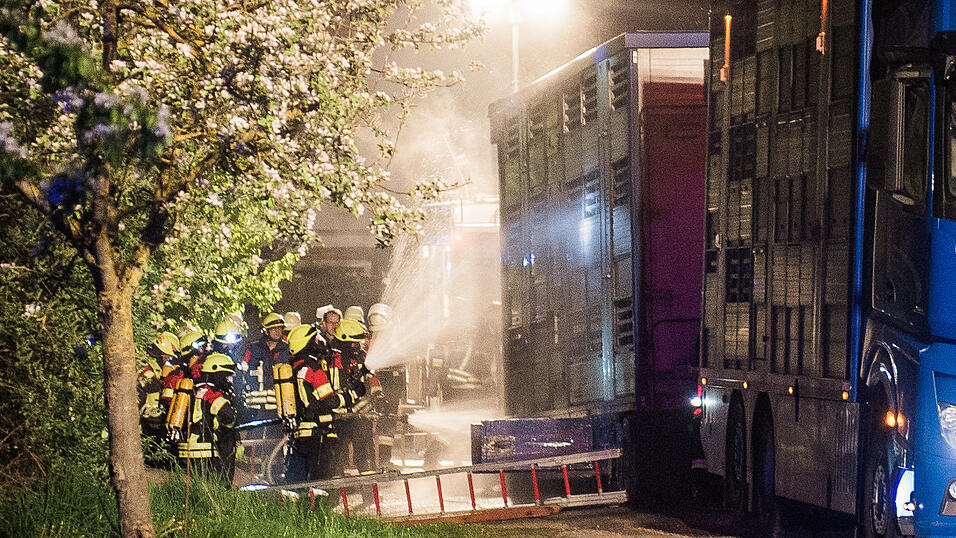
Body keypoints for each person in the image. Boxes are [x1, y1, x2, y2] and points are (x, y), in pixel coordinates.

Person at [284, 324, 362, 483]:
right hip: (318, 433)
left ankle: (295, 506)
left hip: (301, 432)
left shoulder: (295, 367)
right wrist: (352, 395)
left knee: (298, 479)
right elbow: (329, 401)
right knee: (322, 478)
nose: (320, 342)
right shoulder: (314, 370)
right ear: (308, 344)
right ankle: (320, 505)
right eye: (315, 339)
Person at [175, 353, 238, 487]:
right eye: (226, 376)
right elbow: (229, 416)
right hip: (204, 450)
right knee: (215, 487)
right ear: (216, 373)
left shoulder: (194, 389)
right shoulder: (211, 394)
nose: (228, 381)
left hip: (188, 448)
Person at [333, 319, 380, 476]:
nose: (359, 346)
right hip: (339, 417)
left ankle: (369, 495)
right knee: (336, 459)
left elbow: (373, 381)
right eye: (355, 343)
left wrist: (379, 398)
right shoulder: (332, 360)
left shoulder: (362, 359)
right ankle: (335, 497)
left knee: (365, 458)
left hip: (360, 417)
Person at [238, 313, 290, 418]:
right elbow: (242, 372)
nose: (278, 332)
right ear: (265, 331)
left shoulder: (287, 350)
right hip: (253, 408)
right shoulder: (253, 349)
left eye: (279, 328)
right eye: (273, 329)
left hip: (278, 407)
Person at [161, 329, 206, 408]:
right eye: (199, 351)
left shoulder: (204, 369)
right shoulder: (178, 373)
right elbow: (168, 397)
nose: (202, 354)